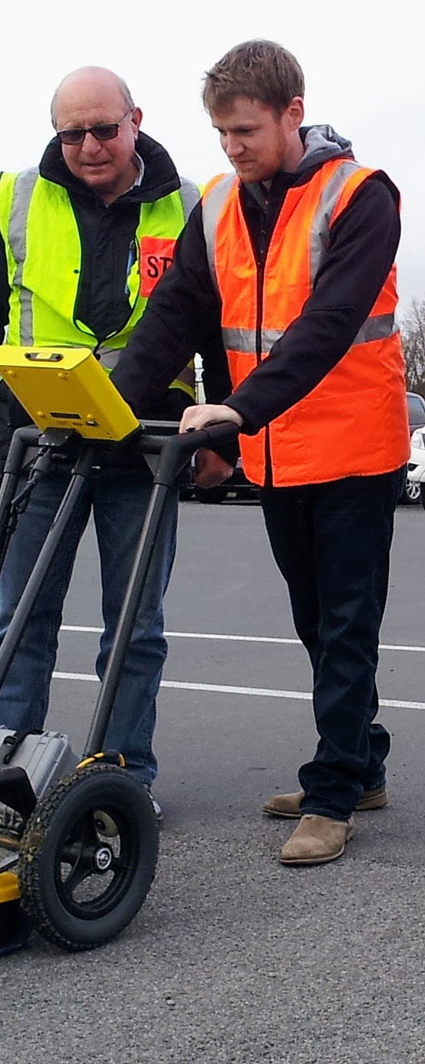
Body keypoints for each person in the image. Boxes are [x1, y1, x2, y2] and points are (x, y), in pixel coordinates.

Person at [110, 39, 408, 865]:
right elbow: (177, 312)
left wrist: (237, 409)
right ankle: (364, 756)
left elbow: (325, 328)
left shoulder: (362, 198)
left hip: (353, 450)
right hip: (276, 454)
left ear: (292, 114)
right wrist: (112, 405)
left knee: (347, 626)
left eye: (245, 130)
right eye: (220, 134)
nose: (233, 147)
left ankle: (336, 790)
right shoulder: (218, 204)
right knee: (314, 623)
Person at [0, 66, 225, 811]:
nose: (88, 146)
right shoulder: (13, 201)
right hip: (42, 438)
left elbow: (223, 325)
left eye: (103, 129)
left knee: (135, 627)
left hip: (147, 443)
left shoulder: (191, 206)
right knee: (19, 617)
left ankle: (122, 781)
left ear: (136, 121)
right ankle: (2, 773)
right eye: (71, 133)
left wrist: (227, 430)